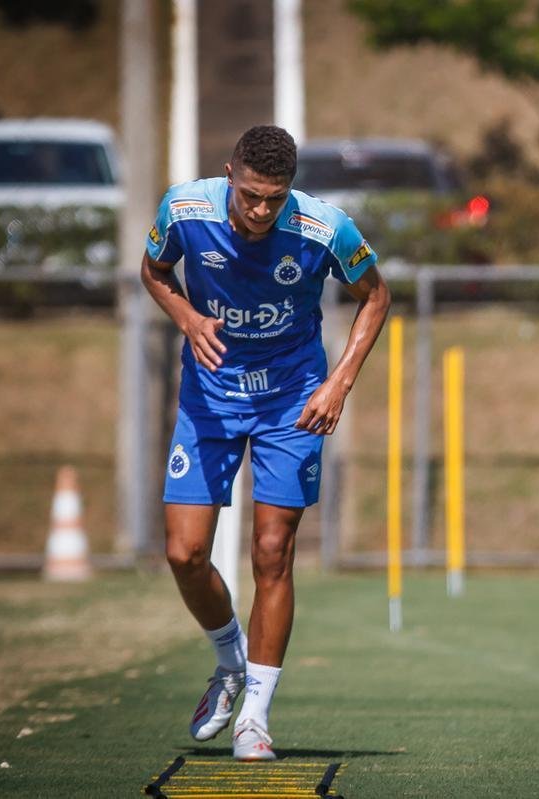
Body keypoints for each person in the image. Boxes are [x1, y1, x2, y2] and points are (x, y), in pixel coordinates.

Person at [140, 125, 390, 761]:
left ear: (290, 191)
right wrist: (189, 318)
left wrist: (338, 383)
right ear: (229, 174)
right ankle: (229, 665)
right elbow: (154, 269)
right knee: (183, 553)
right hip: (210, 400)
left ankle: (254, 715)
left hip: (292, 402)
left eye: (273, 199)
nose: (259, 210)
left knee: (272, 553)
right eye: (250, 195)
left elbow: (375, 295)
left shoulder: (325, 227)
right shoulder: (184, 209)